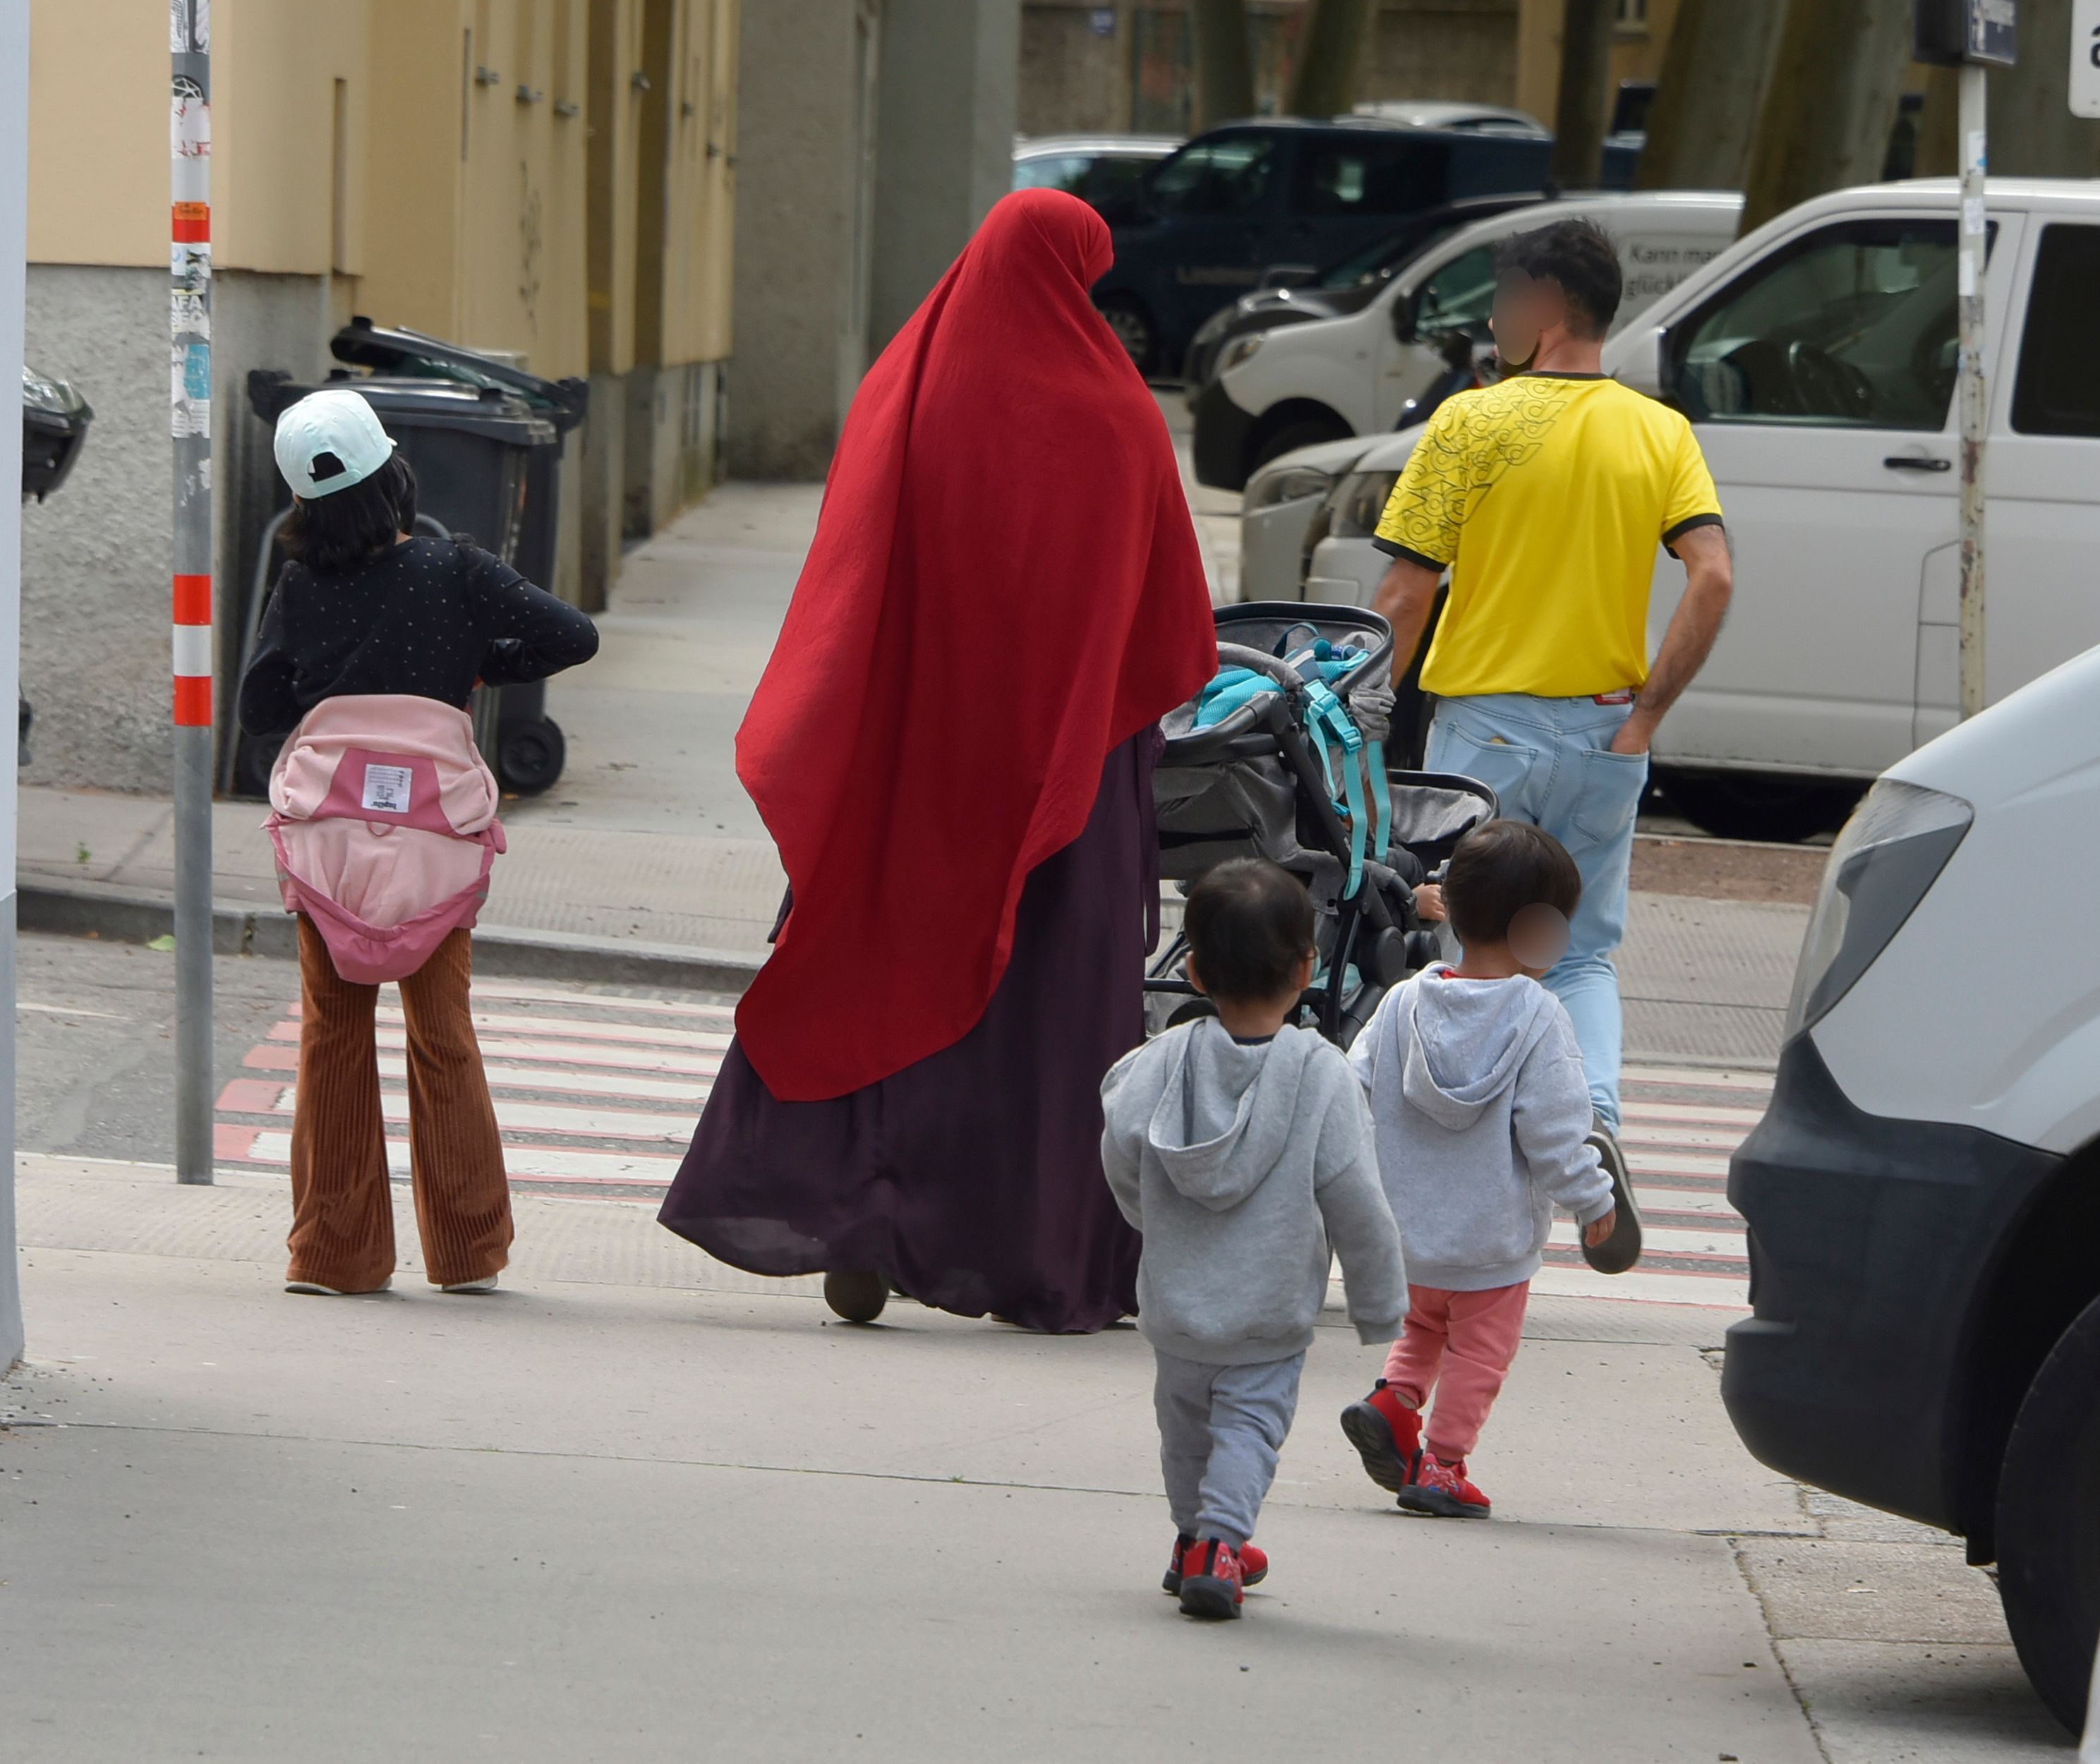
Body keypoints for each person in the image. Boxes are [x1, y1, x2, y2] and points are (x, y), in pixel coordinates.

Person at [658, 188, 1218, 1333]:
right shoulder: (1118, 415)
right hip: (1064, 761)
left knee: (873, 955)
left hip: (911, 746)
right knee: (1050, 1003)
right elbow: (1168, 621)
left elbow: (850, 574)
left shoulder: (906, 389)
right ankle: (1025, 1250)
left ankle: (854, 1213)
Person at [1364, 215, 1734, 1215]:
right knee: (1576, 951)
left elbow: (1406, 593)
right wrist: (1648, 714)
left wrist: (1359, 718)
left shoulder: (1469, 424)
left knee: (1462, 940)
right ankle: (1595, 1119)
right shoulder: (1661, 432)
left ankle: (1459, 1156)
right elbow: (1713, 575)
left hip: (1485, 736)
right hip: (1607, 735)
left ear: (1540, 306)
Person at [239, 388, 601, 1297]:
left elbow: (259, 707)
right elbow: (572, 636)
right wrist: (477, 663)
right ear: (394, 476)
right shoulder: (455, 572)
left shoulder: (299, 587)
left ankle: (332, 1253)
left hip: (331, 850)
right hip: (435, 843)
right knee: (443, 1034)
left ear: (301, 503)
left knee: (332, 1033)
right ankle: (468, 1249)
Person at [1099, 860, 1409, 1619]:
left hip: (1175, 1305)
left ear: (1195, 969)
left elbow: (1119, 1145)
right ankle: (1220, 1543)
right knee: (1248, 1428)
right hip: (1268, 1310)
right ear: (1307, 968)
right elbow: (1357, 1201)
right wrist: (1380, 1305)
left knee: (1185, 1433)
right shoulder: (1321, 1076)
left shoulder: (1158, 1063)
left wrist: (1148, 1218)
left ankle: (1192, 1537)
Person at [1338, 819, 1616, 1520]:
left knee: (1424, 1327)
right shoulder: (1538, 1018)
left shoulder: (1402, 1000)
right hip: (1490, 1244)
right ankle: (1443, 1463)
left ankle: (1394, 1402)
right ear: (1540, 929)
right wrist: (1592, 1199)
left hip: (1409, 1236)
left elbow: (1350, 1090)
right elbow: (1556, 1133)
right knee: (1477, 1355)